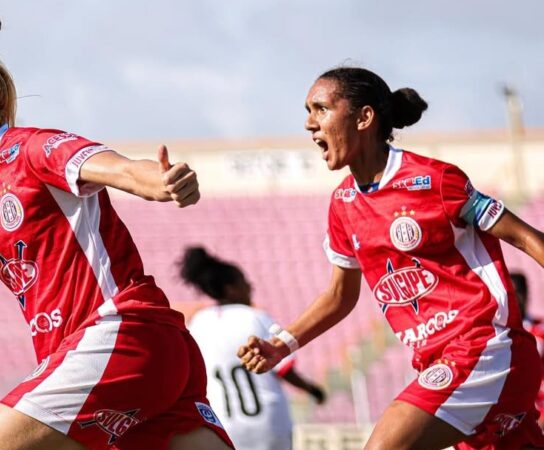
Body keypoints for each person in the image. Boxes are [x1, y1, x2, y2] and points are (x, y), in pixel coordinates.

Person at [0, 11, 233, 450]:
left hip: (121, 336)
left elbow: (119, 168)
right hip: (148, 356)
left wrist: (159, 181)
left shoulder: (30, 148)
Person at [237, 66, 544, 450]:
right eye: (307, 110)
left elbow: (525, 237)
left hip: (485, 349)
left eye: (320, 108)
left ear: (364, 117)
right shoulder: (343, 203)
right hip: (441, 362)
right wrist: (282, 343)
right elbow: (339, 296)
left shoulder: (434, 180)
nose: (309, 123)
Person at [179, 246, 326, 450]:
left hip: (222, 424)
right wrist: (312, 390)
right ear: (231, 288)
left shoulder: (197, 324)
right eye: (244, 282)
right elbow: (284, 369)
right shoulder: (257, 317)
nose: (251, 287)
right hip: (268, 422)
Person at [510, 272, 544, 427]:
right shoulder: (495, 334)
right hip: (512, 417)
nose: (515, 298)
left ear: (526, 294)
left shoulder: (540, 330)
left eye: (518, 292)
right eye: (510, 293)